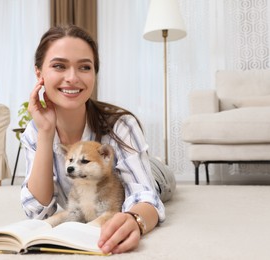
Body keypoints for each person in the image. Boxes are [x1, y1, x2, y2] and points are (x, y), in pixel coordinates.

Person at [20, 24, 176, 254]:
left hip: (156, 176)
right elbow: (37, 213)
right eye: (59, 66)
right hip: (89, 192)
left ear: (94, 73)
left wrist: (135, 220)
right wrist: (45, 134)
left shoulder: (121, 125)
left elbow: (146, 197)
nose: (72, 78)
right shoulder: (34, 132)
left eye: (84, 67)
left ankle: (152, 161)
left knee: (157, 177)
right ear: (39, 74)